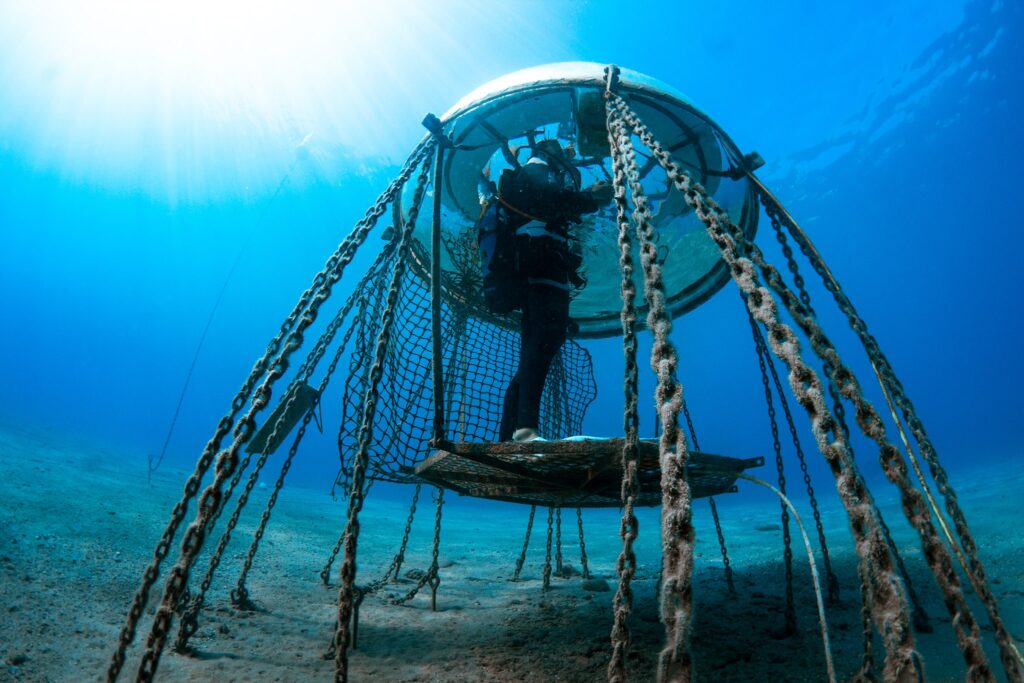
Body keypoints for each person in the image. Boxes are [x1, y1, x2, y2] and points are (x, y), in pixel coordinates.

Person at [496, 139, 613, 442]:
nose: (566, 158)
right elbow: (545, 202)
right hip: (541, 266)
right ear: (549, 152)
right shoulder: (538, 167)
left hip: (541, 266)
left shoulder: (541, 171)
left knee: (539, 344)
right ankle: (524, 431)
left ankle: (512, 431)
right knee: (543, 341)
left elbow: (551, 208)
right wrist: (591, 197)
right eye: (562, 153)